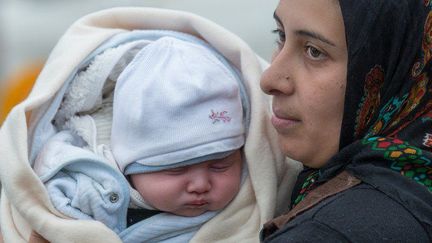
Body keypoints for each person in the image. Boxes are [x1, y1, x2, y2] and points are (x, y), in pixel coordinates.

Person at [0, 7, 300, 243]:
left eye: (220, 165)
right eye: (176, 168)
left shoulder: (258, 200)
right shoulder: (79, 184)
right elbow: (35, 208)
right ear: (128, 164)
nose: (200, 185)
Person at [260, 0, 432, 241]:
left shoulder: (325, 232)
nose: (268, 79)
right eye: (280, 35)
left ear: (393, 60)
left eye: (314, 51)